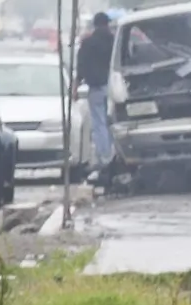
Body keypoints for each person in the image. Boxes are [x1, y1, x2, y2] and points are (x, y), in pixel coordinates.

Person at [76, 11, 115, 183]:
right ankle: (114, 156)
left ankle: (104, 159)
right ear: (107, 24)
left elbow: (81, 66)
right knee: (113, 123)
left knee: (99, 125)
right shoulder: (114, 41)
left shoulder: (88, 43)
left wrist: (75, 87)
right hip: (115, 88)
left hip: (96, 88)